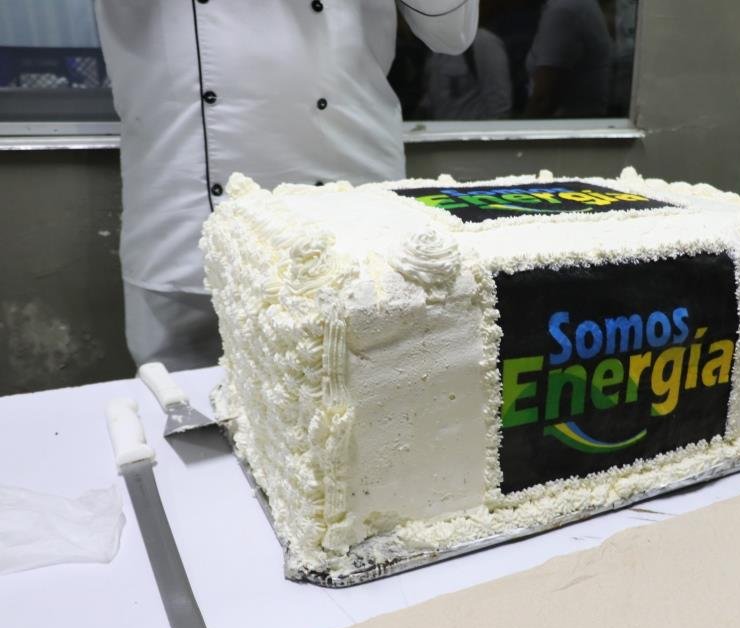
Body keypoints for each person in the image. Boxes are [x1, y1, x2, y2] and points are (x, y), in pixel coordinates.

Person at [95, 0, 479, 370]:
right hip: (183, 219)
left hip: (352, 204)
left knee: (373, 397)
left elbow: (451, 33)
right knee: (180, 403)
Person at [525, 0, 612, 117]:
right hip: (579, 120)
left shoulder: (564, 9)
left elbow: (544, 99)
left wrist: (522, 127)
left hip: (567, 123)